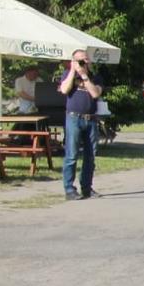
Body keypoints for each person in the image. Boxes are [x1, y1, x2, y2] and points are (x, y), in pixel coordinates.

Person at [57, 51, 102, 200]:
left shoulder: (95, 77)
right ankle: (69, 189)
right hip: (73, 118)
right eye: (80, 60)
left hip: (91, 119)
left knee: (90, 156)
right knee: (71, 155)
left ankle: (87, 188)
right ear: (73, 61)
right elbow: (64, 90)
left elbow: (95, 94)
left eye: (86, 59)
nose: (84, 62)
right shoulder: (67, 74)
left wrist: (84, 76)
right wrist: (72, 70)